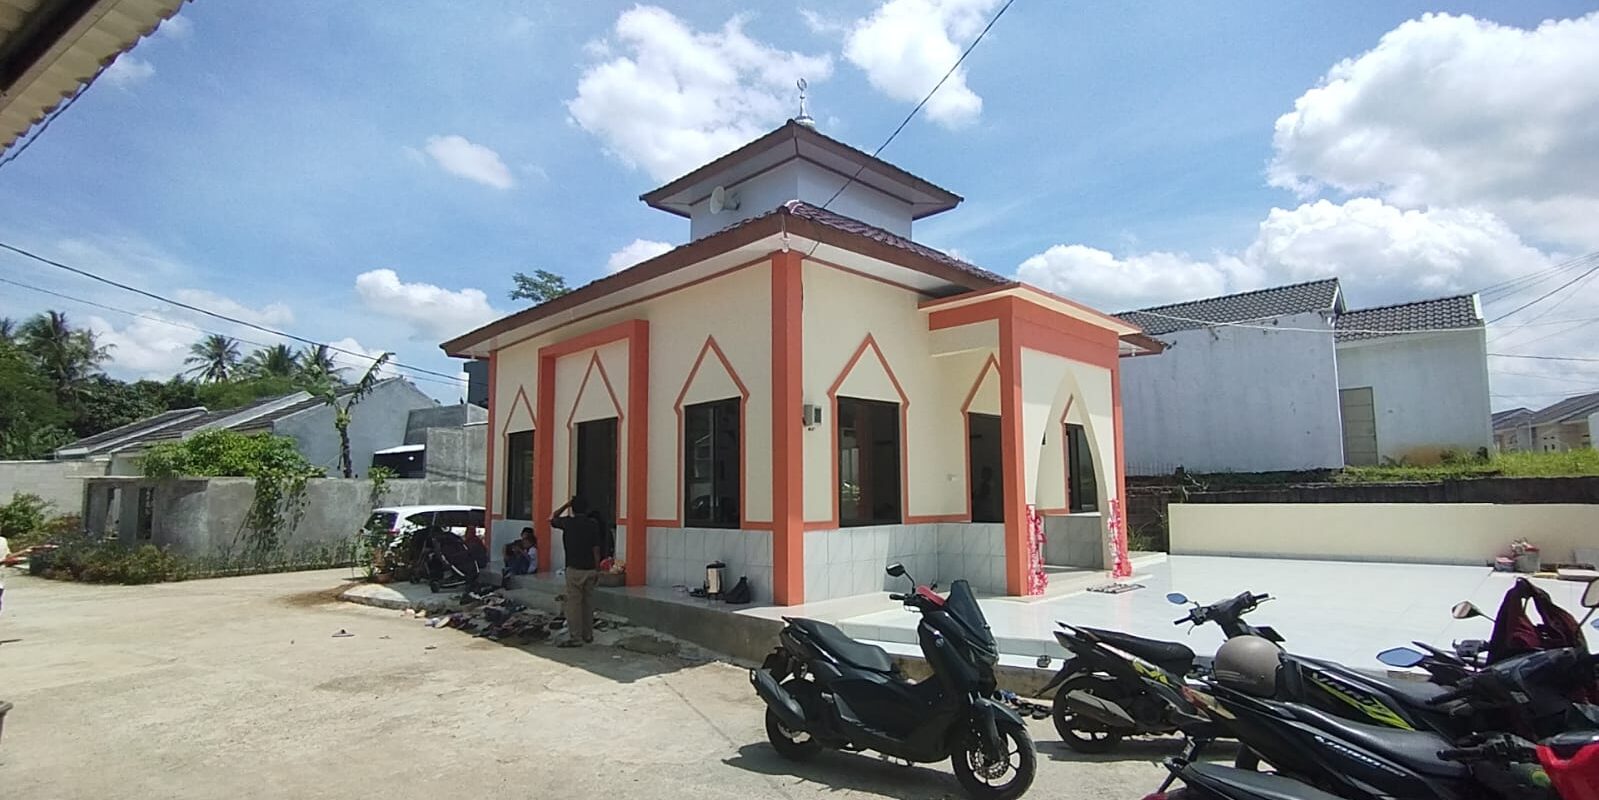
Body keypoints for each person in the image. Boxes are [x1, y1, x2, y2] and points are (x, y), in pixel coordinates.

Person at [551, 495, 603, 647]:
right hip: (590, 569)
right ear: (587, 509)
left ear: (573, 509)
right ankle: (588, 635)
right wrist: (597, 569)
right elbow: (596, 548)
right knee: (588, 603)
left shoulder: (568, 523)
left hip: (574, 569)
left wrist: (566, 505)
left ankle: (576, 637)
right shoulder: (592, 524)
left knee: (574, 604)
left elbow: (553, 518)